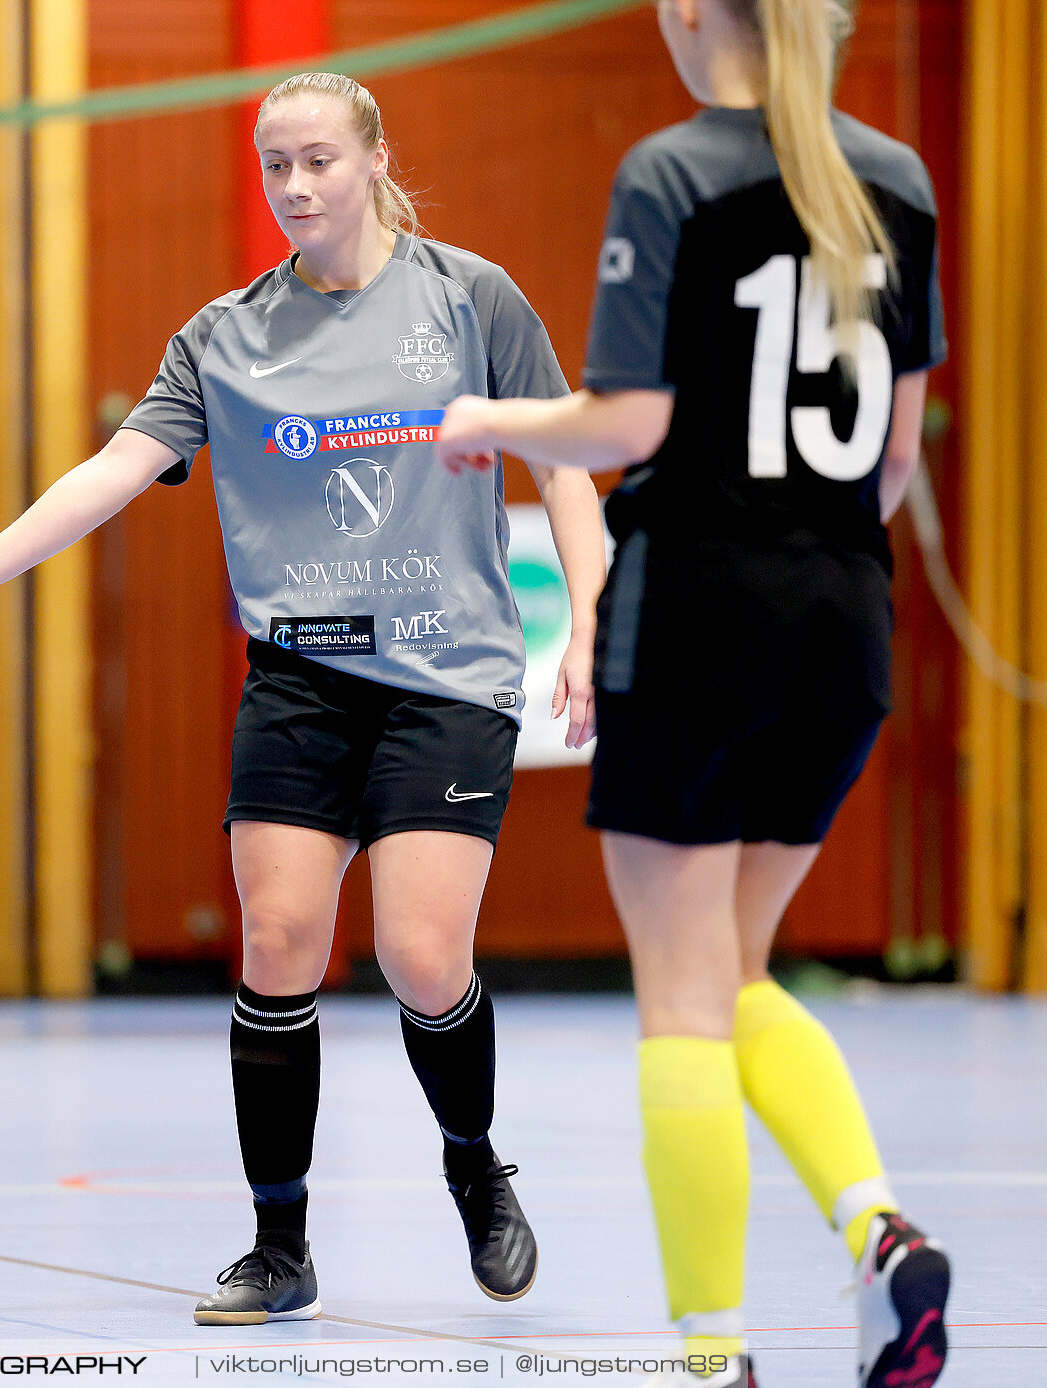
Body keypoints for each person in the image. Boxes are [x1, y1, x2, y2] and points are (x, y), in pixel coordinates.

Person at [0, 71, 607, 1324]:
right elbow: (114, 467)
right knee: (277, 943)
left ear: (373, 157)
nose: (297, 187)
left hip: (446, 676)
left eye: (319, 160)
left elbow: (568, 462)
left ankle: (475, 1167)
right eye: (276, 167)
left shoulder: (470, 299)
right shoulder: (225, 335)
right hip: (302, 675)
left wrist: (587, 617)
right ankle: (279, 1242)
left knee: (425, 957)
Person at [434, 1, 950, 1384]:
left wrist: (484, 420)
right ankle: (882, 1234)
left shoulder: (673, 171)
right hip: (845, 617)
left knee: (679, 992)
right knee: (733, 966)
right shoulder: (897, 178)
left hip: (704, 606)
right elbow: (895, 459)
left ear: (684, 15)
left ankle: (711, 1352)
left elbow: (629, 422)